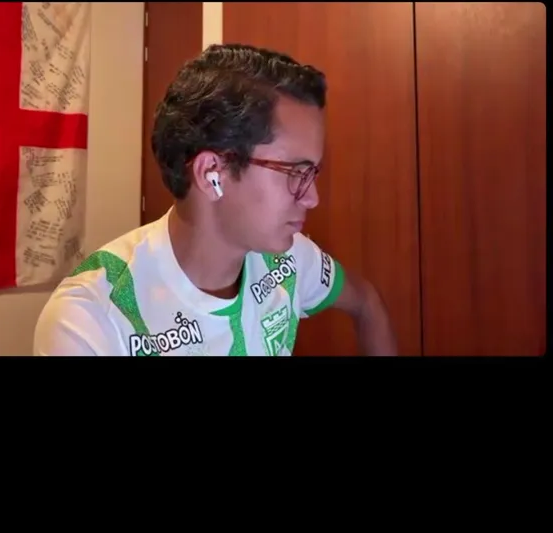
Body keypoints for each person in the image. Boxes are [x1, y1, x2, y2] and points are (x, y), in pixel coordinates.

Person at [34, 43, 396, 356]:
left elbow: (366, 302)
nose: (312, 198)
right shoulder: (91, 318)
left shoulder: (290, 259)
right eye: (294, 172)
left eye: (312, 173)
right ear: (212, 173)